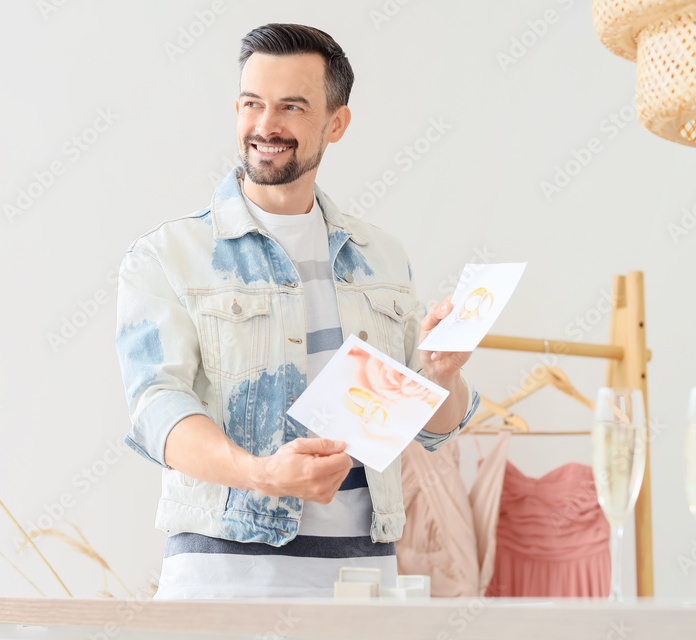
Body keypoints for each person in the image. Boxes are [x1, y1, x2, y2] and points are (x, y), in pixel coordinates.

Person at [114, 22, 482, 599]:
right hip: (224, 582)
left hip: (366, 582)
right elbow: (156, 410)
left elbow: (434, 429)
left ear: (337, 123)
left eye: (292, 106)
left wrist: (440, 373)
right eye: (252, 104)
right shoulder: (168, 257)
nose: (266, 125)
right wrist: (261, 474)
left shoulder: (380, 257)